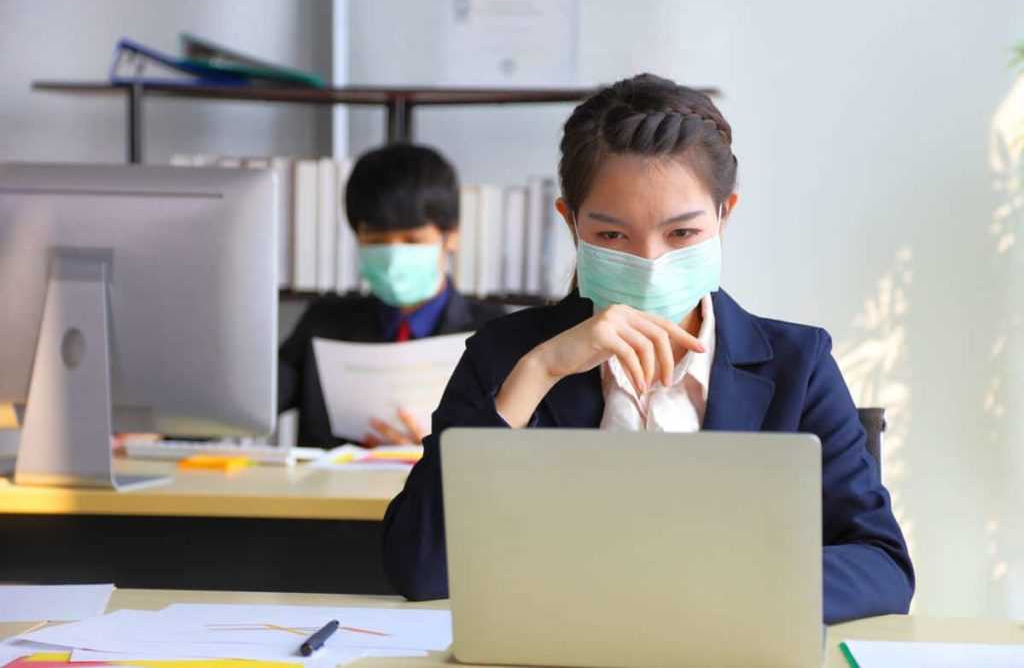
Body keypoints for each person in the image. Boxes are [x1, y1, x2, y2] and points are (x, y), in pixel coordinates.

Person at [380, 74, 914, 625]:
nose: (650, 260)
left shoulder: (797, 365)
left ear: (725, 214)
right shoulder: (507, 354)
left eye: (681, 234)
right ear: (571, 222)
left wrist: (715, 591)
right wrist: (540, 371)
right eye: (613, 236)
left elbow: (883, 566)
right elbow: (420, 568)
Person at [278, 144, 505, 449]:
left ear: (451, 236)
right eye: (376, 240)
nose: (394, 256)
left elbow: (510, 449)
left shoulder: (495, 331)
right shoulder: (323, 323)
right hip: (335, 495)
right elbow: (252, 404)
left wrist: (436, 455)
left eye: (412, 240)